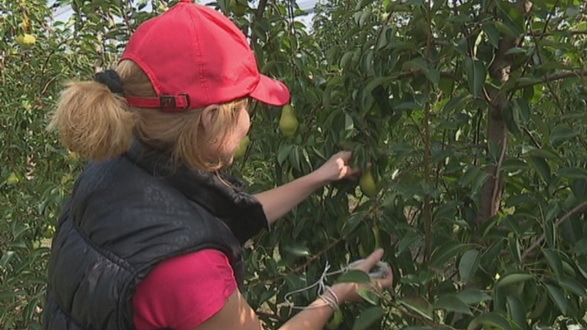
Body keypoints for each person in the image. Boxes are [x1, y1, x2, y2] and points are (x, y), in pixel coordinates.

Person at [44, 1, 392, 329]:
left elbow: (216, 217)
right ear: (210, 119)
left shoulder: (114, 163)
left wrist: (319, 177)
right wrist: (340, 291)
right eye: (244, 108)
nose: (248, 122)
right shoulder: (189, 272)